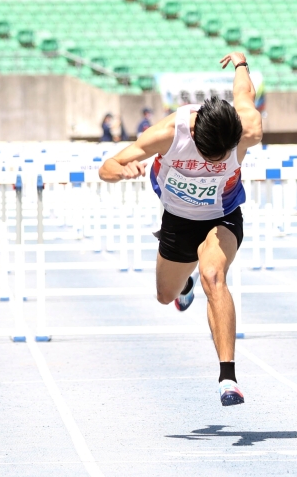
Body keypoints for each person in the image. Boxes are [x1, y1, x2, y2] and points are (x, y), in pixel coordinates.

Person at [99, 52, 262, 406]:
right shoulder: (169, 133)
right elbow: (107, 166)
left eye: (224, 157)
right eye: (210, 157)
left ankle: (228, 377)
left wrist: (241, 64)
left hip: (223, 214)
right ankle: (182, 282)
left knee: (213, 274)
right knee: (164, 294)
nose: (217, 163)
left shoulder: (247, 129)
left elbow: (243, 94)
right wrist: (121, 172)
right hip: (177, 217)